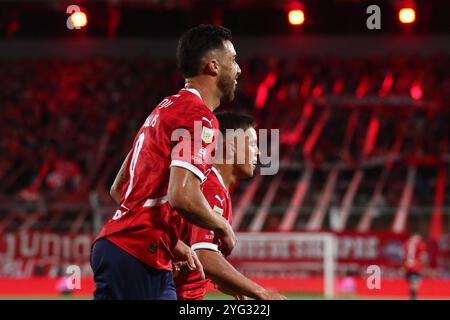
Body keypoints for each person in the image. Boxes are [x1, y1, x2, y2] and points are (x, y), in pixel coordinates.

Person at [91, 24, 241, 300]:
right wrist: (222, 227)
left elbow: (119, 188)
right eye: (233, 60)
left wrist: (176, 244)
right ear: (213, 66)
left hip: (141, 254)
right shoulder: (198, 117)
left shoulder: (166, 108)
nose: (239, 69)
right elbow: (182, 195)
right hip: (135, 253)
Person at [175, 111, 287, 300]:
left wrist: (225, 282)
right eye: (252, 144)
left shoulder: (216, 187)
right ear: (230, 147)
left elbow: (194, 252)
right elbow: (203, 254)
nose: (258, 152)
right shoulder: (211, 189)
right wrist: (262, 293)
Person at [404, 233, 428, 300]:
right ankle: (413, 296)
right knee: (416, 281)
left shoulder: (407, 243)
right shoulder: (420, 244)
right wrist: (425, 264)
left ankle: (412, 295)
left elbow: (404, 256)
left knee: (411, 280)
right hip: (416, 265)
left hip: (408, 264)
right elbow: (423, 256)